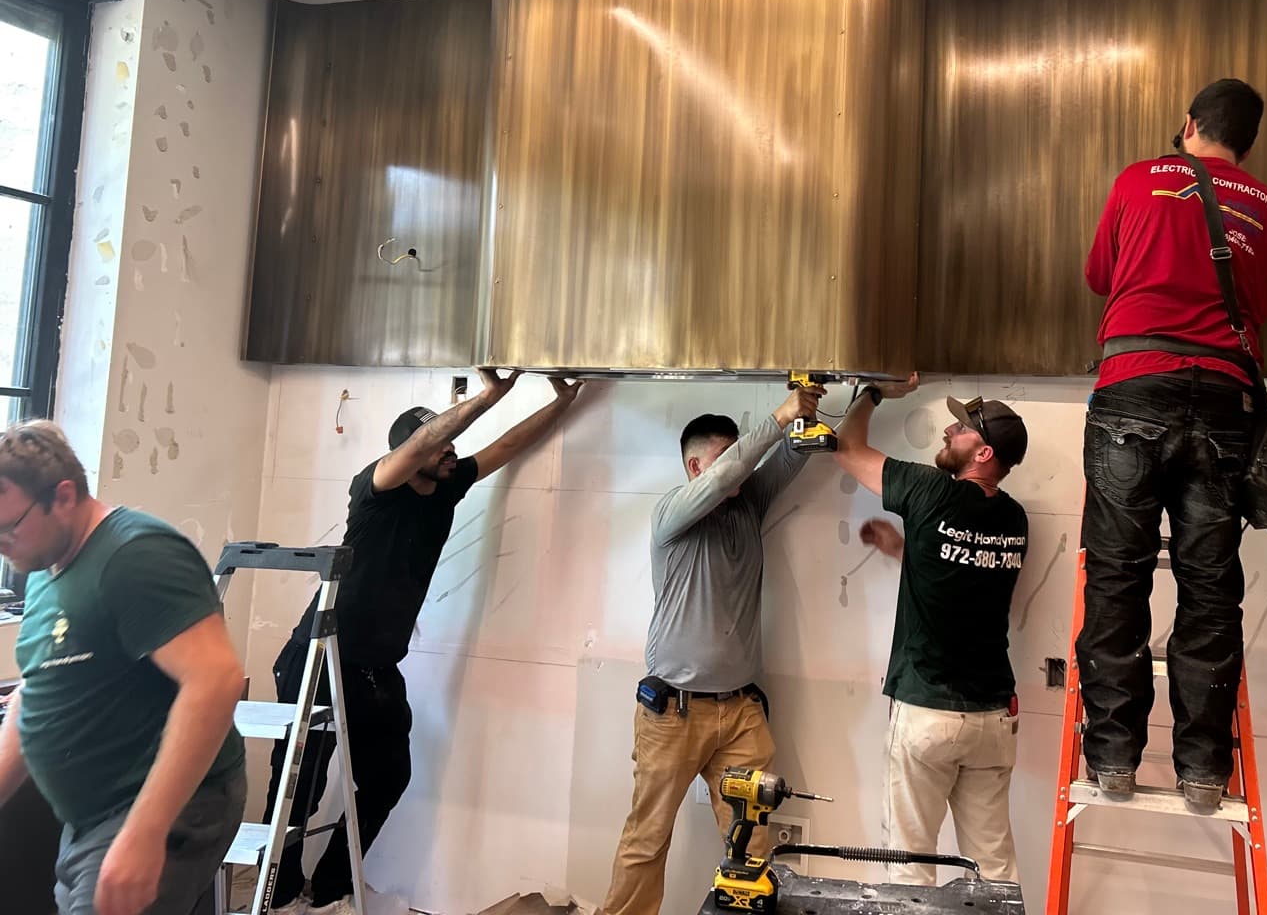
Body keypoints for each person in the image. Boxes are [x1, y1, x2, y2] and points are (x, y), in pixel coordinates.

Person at [267, 370, 585, 915]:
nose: (450, 453)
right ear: (411, 454)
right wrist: (489, 396)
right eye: (440, 445)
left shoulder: (445, 487)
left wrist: (564, 401)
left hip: (376, 668)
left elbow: (506, 446)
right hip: (322, 656)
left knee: (388, 776)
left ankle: (327, 891)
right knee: (300, 785)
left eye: (450, 446)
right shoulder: (376, 489)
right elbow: (421, 445)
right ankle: (276, 897)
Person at [1079, 77, 1267, 810]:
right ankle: (1203, 771)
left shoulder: (1141, 179)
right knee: (1210, 586)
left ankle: (1111, 760)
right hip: (1226, 401)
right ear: (1248, 140)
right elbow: (1257, 308)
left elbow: (1101, 276)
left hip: (1134, 384)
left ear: (1189, 122)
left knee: (1116, 576)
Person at [0, 420, 247, 915]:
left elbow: (216, 680)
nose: (2, 543)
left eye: (9, 526)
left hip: (162, 811)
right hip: (93, 818)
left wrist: (145, 833)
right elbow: (40, 686)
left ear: (64, 496)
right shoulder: (49, 564)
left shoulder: (136, 554)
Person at [603, 381, 825, 915]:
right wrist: (777, 416)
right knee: (646, 841)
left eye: (741, 461)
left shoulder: (748, 506)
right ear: (696, 468)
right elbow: (735, 469)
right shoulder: (670, 516)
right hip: (672, 715)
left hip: (741, 712)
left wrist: (854, 399)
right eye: (726, 461)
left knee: (751, 846)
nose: (741, 472)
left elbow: (798, 452)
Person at [832, 373, 1030, 886]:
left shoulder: (929, 491)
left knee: (909, 865)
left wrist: (874, 393)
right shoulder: (1014, 519)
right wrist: (903, 548)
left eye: (960, 429)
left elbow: (847, 448)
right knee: (993, 869)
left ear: (983, 453)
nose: (947, 431)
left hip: (929, 712)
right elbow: (964, 572)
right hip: (993, 717)